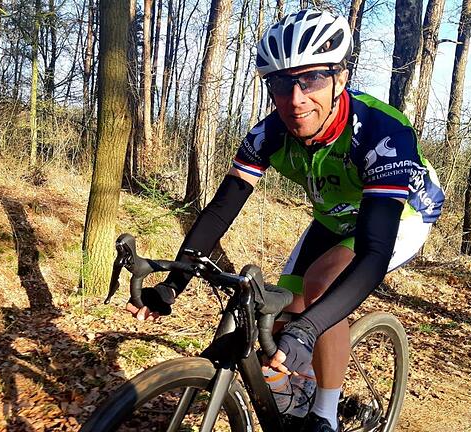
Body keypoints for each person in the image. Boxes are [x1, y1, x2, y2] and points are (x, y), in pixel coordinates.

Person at [126, 8, 445, 432]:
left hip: (402, 214)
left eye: (311, 79)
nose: (295, 99)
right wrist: (172, 284)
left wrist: (311, 329)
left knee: (318, 288)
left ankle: (325, 415)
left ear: (340, 78)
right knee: (278, 312)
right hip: (335, 215)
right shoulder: (269, 134)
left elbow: (373, 253)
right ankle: (301, 387)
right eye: (280, 83)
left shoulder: (382, 133)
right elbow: (221, 209)